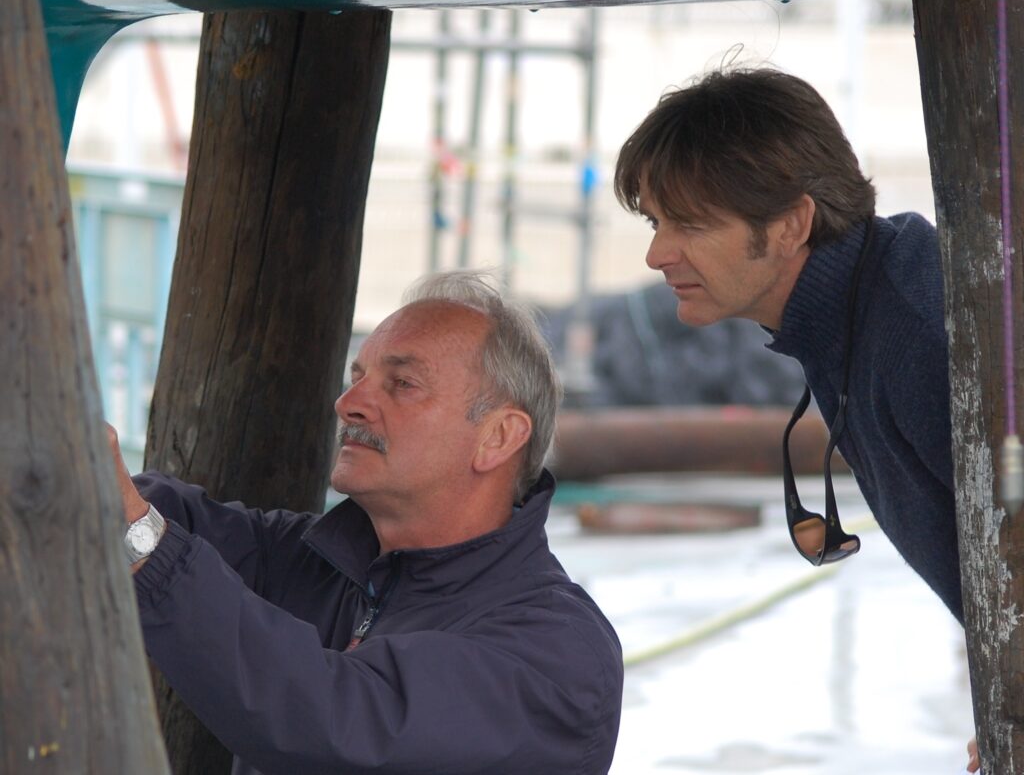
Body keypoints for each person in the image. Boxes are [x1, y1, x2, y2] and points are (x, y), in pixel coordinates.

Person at [109, 270, 624, 775]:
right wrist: (95, 478)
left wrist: (141, 541)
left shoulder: (557, 654)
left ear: (498, 437)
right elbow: (185, 519)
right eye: (358, 378)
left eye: (402, 384)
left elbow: (339, 726)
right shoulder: (327, 563)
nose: (348, 404)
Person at [614, 66, 977, 772]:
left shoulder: (921, 331)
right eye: (658, 222)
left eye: (690, 224)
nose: (657, 255)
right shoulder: (859, 309)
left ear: (790, 226)